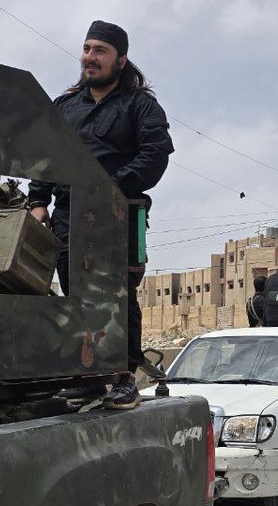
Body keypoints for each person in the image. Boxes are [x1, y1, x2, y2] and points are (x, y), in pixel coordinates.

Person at [26, 21, 174, 410]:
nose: (90, 57)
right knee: (75, 295)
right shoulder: (65, 106)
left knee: (118, 297)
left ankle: (123, 377)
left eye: (100, 51)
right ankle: (87, 377)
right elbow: (45, 156)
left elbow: (155, 154)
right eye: (87, 49)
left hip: (119, 214)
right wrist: (38, 200)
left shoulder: (140, 106)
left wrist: (112, 186)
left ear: (120, 60)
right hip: (67, 215)